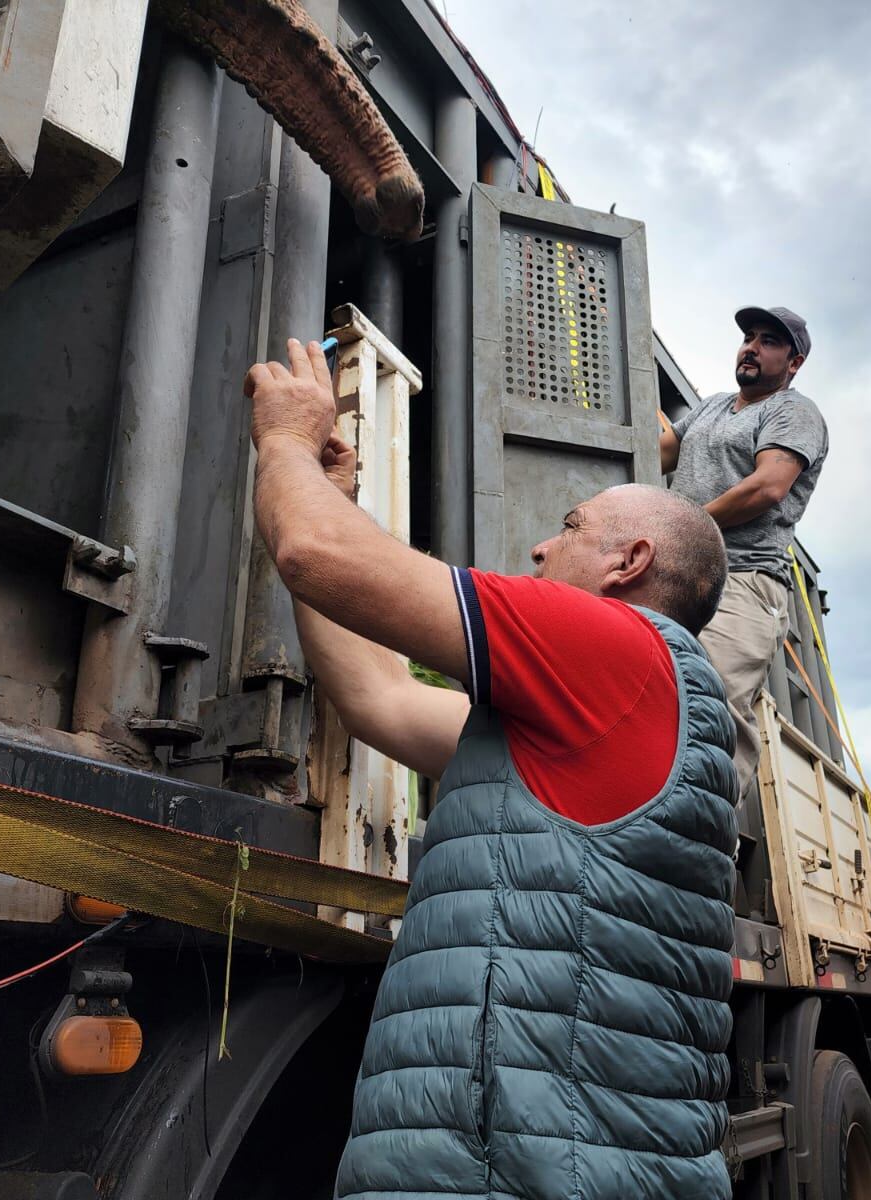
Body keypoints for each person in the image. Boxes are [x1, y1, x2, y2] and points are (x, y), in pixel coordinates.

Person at [244, 340, 740, 1200]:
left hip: (511, 1173)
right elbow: (380, 700)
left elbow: (313, 555)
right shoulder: (604, 717)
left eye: (573, 527)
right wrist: (331, 494)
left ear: (630, 565)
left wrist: (284, 440)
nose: (544, 549)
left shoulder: (615, 648)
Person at [658, 305, 828, 800]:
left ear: (793, 363)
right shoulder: (710, 407)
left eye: (768, 341)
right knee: (658, 697)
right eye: (748, 337)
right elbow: (662, 449)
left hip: (745, 580)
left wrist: (690, 524)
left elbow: (768, 487)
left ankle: (704, 835)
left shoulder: (794, 412)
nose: (751, 347)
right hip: (682, 571)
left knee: (713, 703)